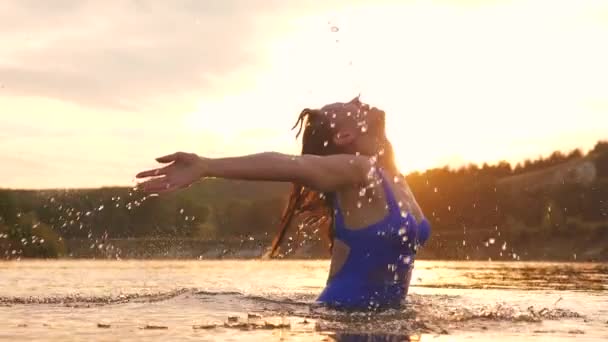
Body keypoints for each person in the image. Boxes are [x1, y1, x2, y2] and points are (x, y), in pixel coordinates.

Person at [136, 96, 430, 310]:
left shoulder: (394, 176)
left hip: (384, 321)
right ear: (344, 135)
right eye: (344, 106)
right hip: (347, 316)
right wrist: (206, 166)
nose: (357, 99)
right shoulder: (360, 170)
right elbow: (289, 165)